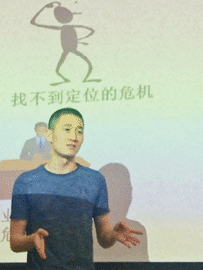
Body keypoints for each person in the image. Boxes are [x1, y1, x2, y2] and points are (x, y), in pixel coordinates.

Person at [10, 108, 142, 270]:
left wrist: (113, 235)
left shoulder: (95, 180)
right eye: (67, 129)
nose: (74, 137)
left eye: (79, 131)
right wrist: (32, 240)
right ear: (49, 135)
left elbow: (104, 239)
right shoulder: (26, 182)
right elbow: (15, 242)